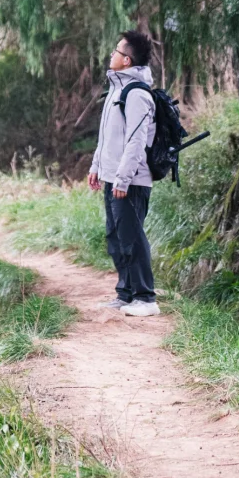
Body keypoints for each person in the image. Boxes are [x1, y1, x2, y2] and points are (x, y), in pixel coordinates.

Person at [88, 30, 160, 317]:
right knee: (116, 236)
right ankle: (126, 293)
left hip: (131, 179)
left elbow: (136, 140)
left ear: (127, 60)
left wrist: (123, 177)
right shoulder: (117, 88)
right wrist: (97, 167)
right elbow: (107, 136)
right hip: (112, 175)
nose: (112, 54)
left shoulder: (137, 94)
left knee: (131, 236)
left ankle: (146, 298)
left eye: (116, 50)